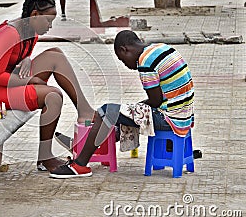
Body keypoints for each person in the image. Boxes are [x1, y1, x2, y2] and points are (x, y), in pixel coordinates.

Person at [50, 30, 195, 178]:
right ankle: (84, 147)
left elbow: (155, 101)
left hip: (169, 118)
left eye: (122, 60)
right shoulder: (160, 48)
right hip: (185, 115)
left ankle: (80, 165)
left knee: (106, 111)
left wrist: (129, 110)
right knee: (122, 115)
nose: (125, 65)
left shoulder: (145, 62)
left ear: (124, 50)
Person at [0, 0, 95, 172]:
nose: (50, 25)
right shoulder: (9, 33)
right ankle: (44, 158)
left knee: (55, 55)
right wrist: (30, 80)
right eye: (48, 20)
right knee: (52, 96)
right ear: (34, 15)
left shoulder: (31, 32)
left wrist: (27, 59)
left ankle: (84, 110)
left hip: (8, 80)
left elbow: (17, 58)